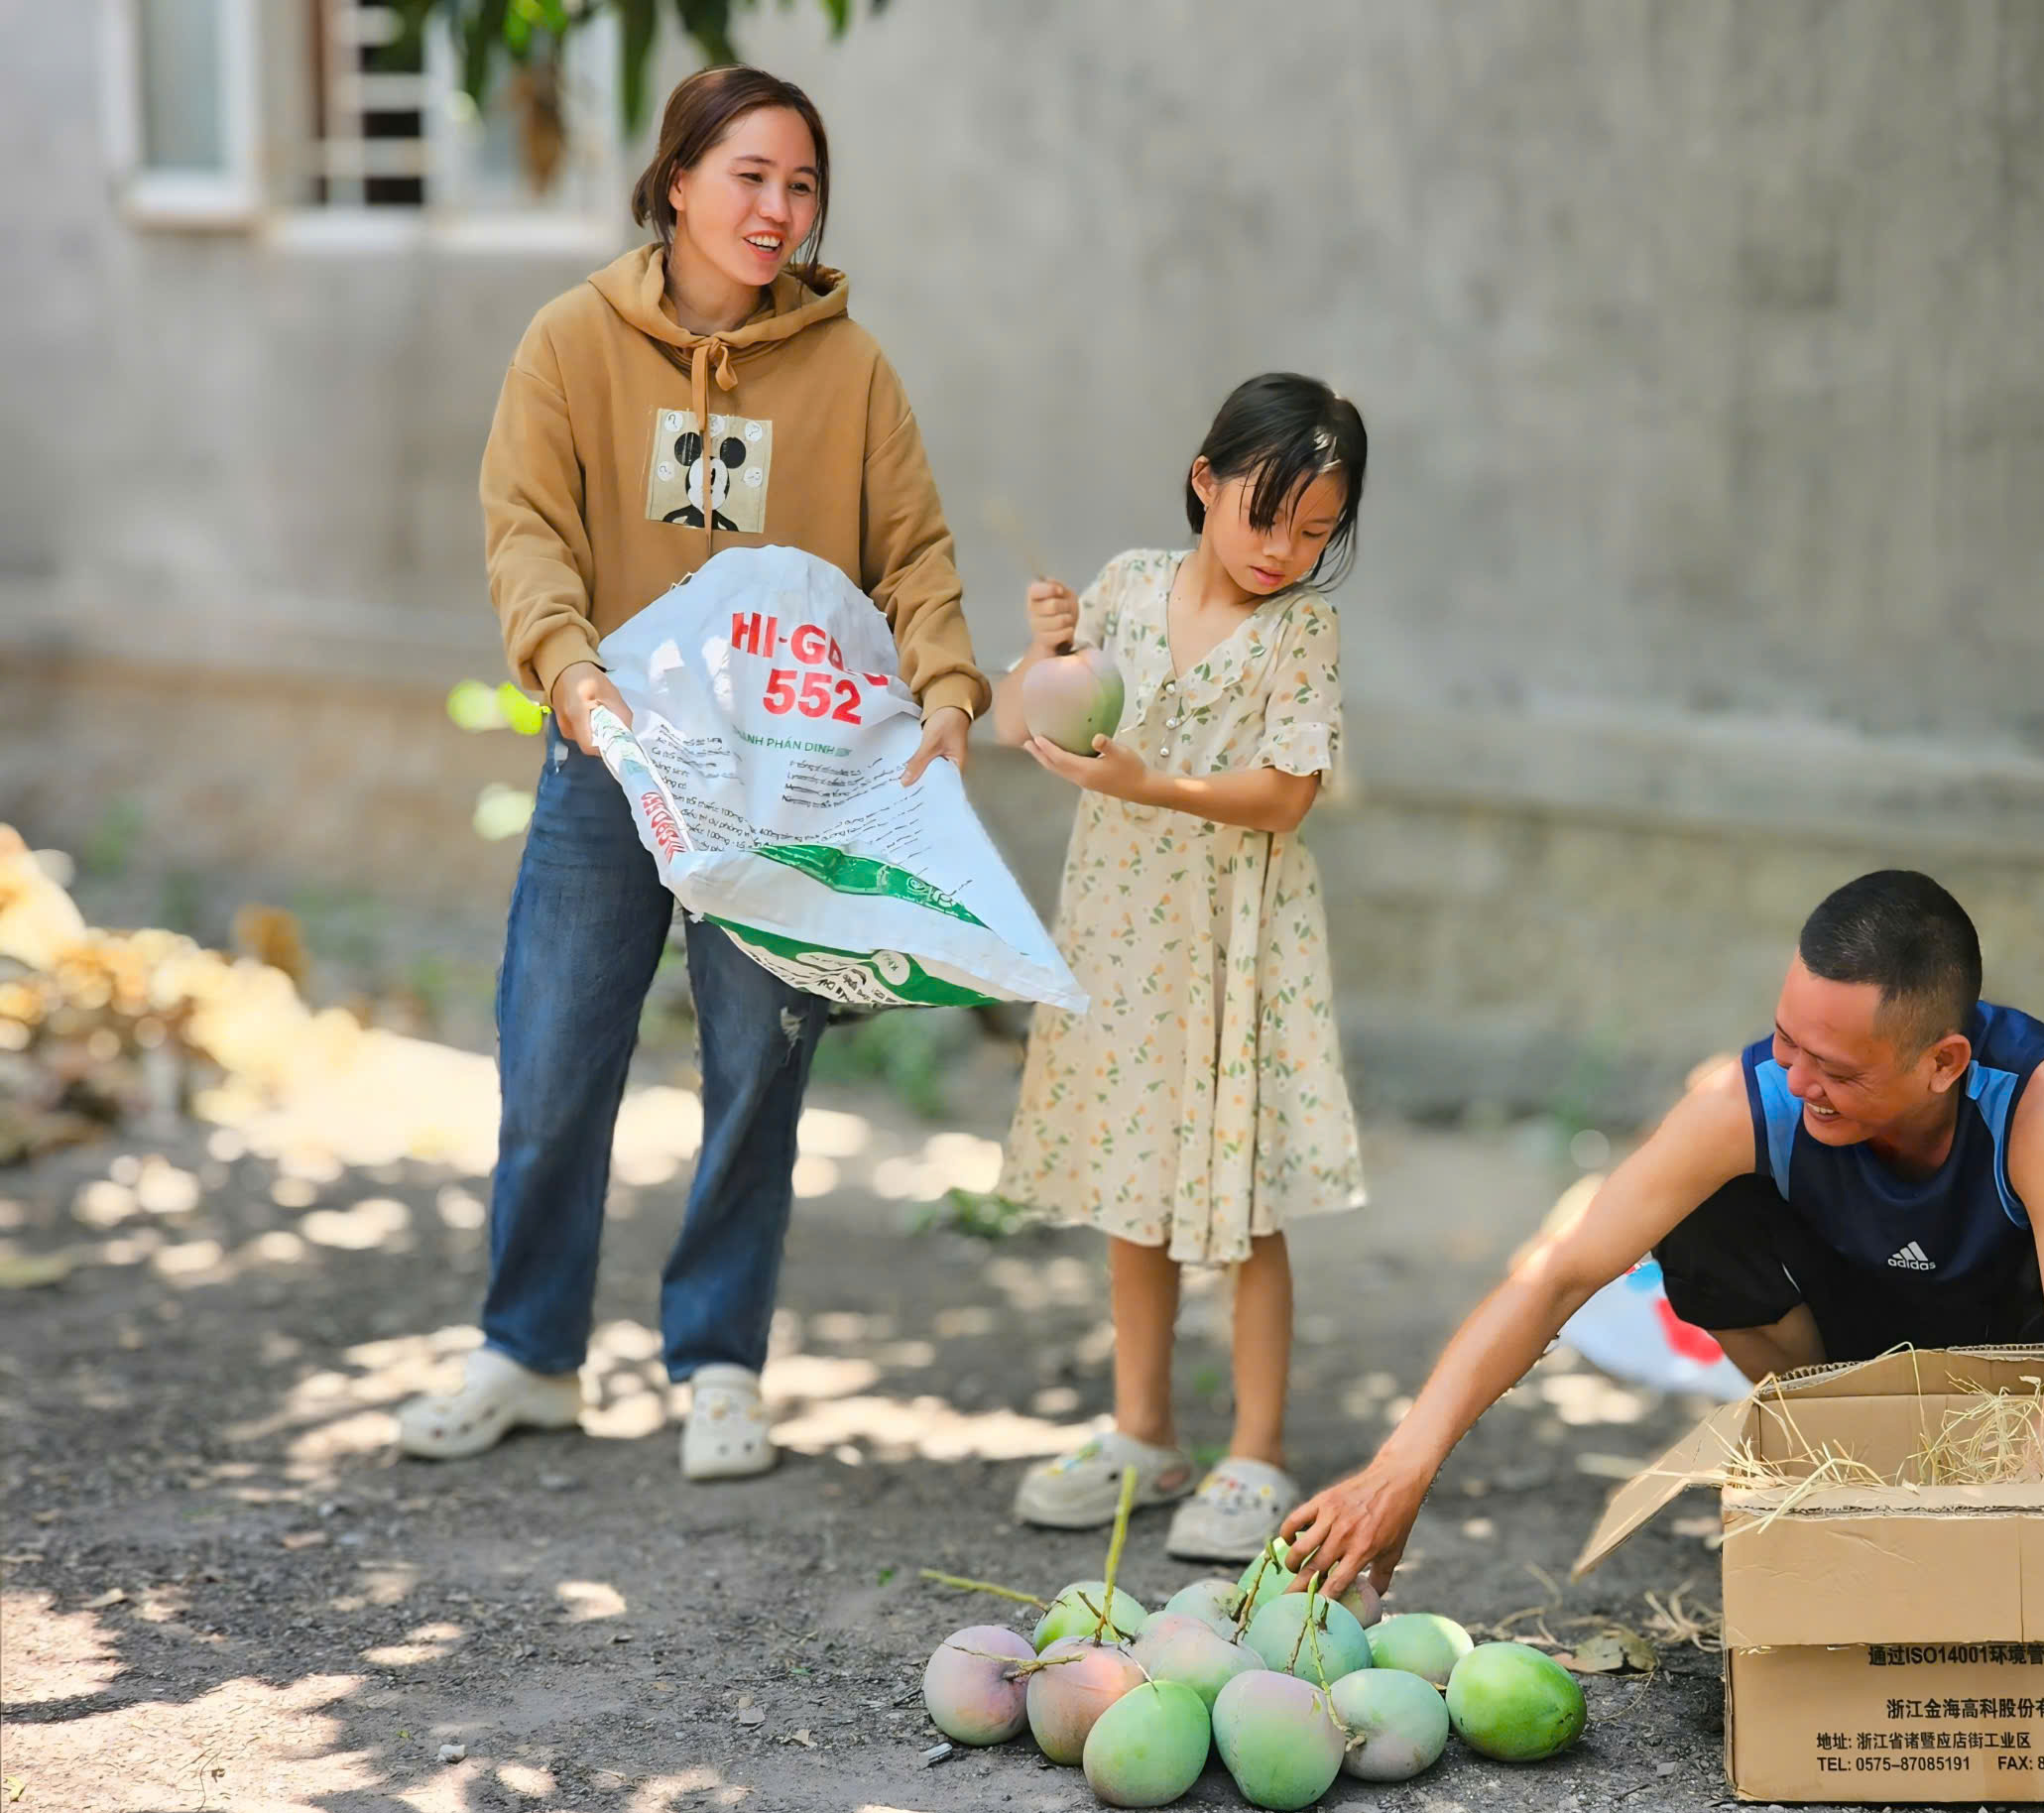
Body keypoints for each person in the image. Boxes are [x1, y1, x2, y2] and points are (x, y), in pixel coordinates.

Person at [400, 66, 988, 1480]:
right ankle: (530, 1354)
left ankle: (719, 1361)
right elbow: (528, 531)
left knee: (755, 1076)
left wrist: (952, 685)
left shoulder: (851, 372)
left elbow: (909, 552)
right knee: (552, 1062)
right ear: (675, 182)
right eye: (750, 178)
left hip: (783, 779)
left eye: (802, 186)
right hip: (611, 758)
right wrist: (578, 682)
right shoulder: (568, 345)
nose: (779, 210)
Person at [1281, 869, 2044, 1591]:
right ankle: (1841, 1452)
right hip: (1881, 1351)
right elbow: (1557, 1273)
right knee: (1700, 1220)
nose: (1798, 1083)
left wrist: (1957, 1550)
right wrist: (1399, 1470)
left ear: (1943, 1063)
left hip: (2035, 1364)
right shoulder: (1751, 1097)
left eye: (1836, 1068)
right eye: (1786, 1042)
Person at [992, 374, 1370, 1560]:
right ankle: (1143, 1432)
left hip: (1237, 934)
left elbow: (1287, 796)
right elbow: (1027, 722)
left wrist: (1150, 782)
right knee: (1129, 1178)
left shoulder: (1302, 631)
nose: (1285, 552)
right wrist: (1046, 653)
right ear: (1206, 481)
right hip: (1122, 926)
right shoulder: (1123, 590)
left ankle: (1254, 1454)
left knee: (1242, 1198)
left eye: (1316, 532)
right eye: (1268, 517)